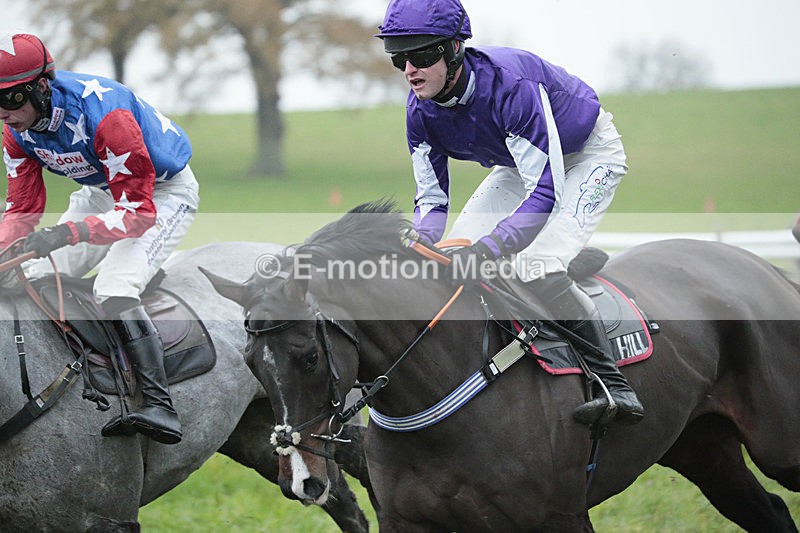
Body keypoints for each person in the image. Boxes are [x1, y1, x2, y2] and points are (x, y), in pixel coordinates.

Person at [376, 0, 643, 426]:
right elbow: (432, 200)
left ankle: (614, 385)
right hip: (520, 163)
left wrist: (492, 247)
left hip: (586, 155)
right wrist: (422, 240)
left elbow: (545, 192)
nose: (410, 69)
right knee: (450, 255)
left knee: (536, 265)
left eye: (422, 55)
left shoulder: (508, 87)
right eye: (399, 58)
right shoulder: (419, 110)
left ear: (455, 49)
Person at [0, 33, 199, 444]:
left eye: (11, 99)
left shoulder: (107, 117)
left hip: (158, 194)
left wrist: (67, 233)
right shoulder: (15, 130)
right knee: (32, 272)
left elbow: (137, 213)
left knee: (114, 285)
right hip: (99, 191)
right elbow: (22, 208)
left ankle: (160, 405)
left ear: (42, 85)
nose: (4, 113)